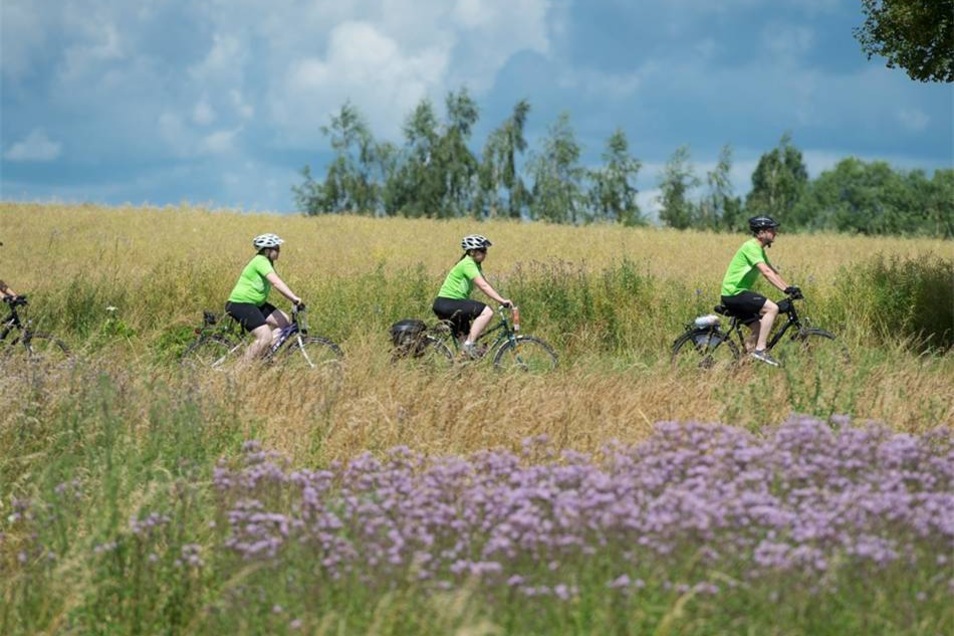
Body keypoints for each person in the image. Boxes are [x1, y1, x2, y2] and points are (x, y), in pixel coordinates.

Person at [720, 216, 801, 367]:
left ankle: (742, 365)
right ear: (761, 233)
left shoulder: (758, 249)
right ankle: (760, 351)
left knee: (758, 328)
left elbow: (772, 271)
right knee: (772, 308)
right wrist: (785, 289)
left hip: (736, 294)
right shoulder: (751, 247)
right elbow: (765, 272)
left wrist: (790, 288)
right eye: (772, 230)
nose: (775, 233)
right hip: (734, 293)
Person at [225, 233, 304, 363]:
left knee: (284, 321)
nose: (279, 251)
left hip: (256, 303)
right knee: (265, 337)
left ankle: (263, 357)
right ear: (267, 250)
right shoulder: (260, 261)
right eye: (276, 248)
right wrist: (294, 298)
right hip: (241, 303)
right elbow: (276, 282)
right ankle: (239, 370)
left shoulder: (267, 261)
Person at [433, 234, 512, 358]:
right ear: (472, 251)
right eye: (482, 250)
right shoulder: (468, 264)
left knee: (466, 353)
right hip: (448, 303)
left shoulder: (474, 264)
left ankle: (462, 364)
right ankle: (470, 344)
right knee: (487, 312)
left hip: (449, 304)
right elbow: (483, 286)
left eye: (485, 250)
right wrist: (502, 301)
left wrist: (499, 298)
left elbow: (485, 283)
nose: (485, 253)